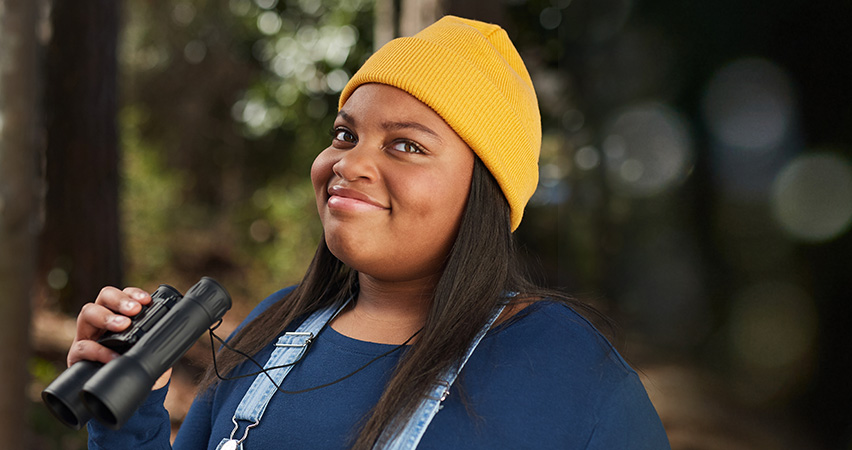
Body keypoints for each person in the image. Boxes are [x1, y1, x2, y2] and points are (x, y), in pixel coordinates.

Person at [67, 16, 669, 449]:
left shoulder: (569, 371)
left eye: (406, 145)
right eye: (345, 134)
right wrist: (129, 412)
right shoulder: (271, 332)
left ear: (484, 191)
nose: (348, 164)